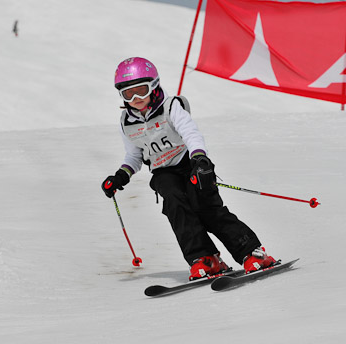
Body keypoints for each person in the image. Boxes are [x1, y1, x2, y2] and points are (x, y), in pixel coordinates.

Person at [101, 57, 275, 280]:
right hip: (163, 172)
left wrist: (200, 160)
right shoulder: (127, 122)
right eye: (128, 94)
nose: (136, 99)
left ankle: (252, 253)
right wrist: (120, 176)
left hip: (189, 164)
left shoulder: (171, 107)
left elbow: (190, 133)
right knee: (177, 209)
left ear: (154, 86)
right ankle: (205, 259)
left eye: (141, 91)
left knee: (207, 209)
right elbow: (134, 155)